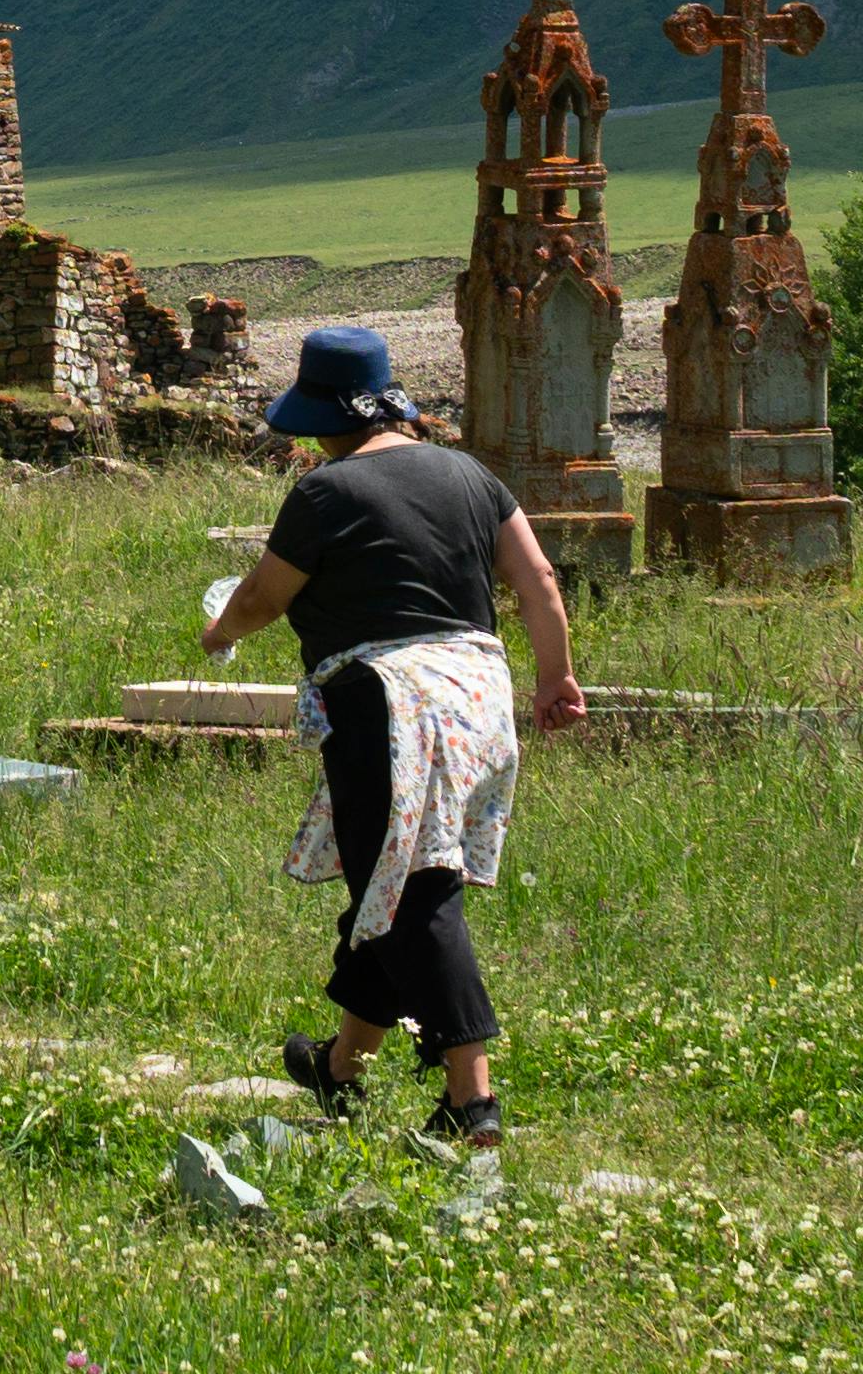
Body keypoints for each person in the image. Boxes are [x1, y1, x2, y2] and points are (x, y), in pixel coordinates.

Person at [195, 322, 589, 1152]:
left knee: (417, 889)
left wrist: (218, 630)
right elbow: (539, 580)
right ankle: (340, 1067)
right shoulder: (472, 474)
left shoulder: (326, 493)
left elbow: (265, 596)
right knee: (392, 875)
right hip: (482, 698)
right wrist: (555, 676)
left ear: (324, 417)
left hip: (389, 707)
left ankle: (471, 1099)